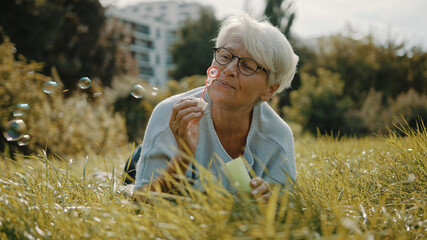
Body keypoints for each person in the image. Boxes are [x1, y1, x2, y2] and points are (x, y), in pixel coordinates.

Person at [130, 13, 299, 201]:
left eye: (248, 66)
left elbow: (285, 206)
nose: (228, 70)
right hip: (144, 159)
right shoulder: (170, 113)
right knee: (126, 176)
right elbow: (140, 201)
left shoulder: (277, 137)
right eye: (225, 56)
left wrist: (267, 201)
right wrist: (184, 156)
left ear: (270, 89)